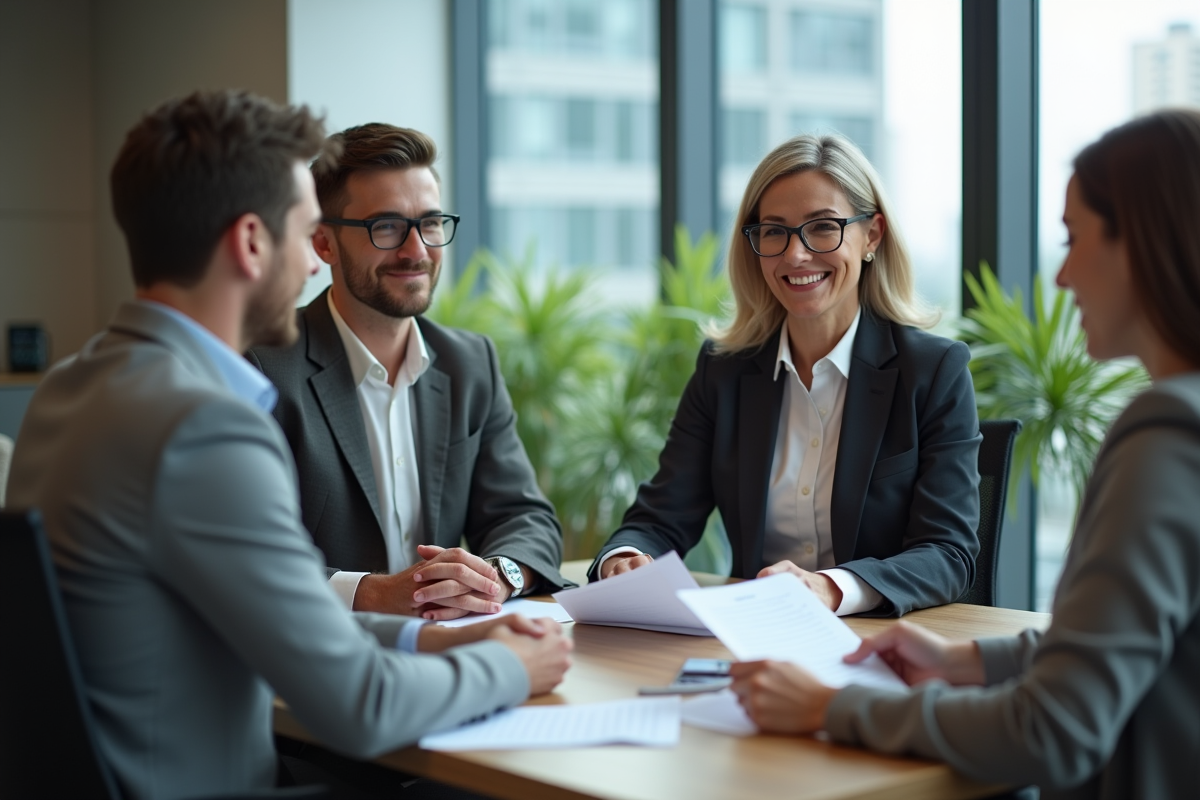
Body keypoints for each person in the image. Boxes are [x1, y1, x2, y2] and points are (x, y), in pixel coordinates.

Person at [7, 90, 572, 800]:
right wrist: (515, 667)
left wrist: (433, 639)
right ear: (250, 243)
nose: (312, 265)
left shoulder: (69, 387)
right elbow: (359, 707)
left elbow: (281, 618)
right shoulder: (203, 426)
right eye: (306, 233)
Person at [729, 109, 1200, 799]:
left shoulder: (1167, 433)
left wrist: (830, 708)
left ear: (1144, 244)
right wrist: (970, 660)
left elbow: (1055, 728)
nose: (1062, 275)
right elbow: (1123, 642)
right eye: (774, 233)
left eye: (1073, 240)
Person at [591, 133, 981, 617]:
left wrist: (830, 588)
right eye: (774, 231)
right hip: (758, 640)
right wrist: (626, 557)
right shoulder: (724, 370)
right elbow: (661, 515)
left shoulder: (933, 372)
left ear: (871, 236)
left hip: (883, 646)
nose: (795, 255)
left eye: (822, 228)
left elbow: (947, 553)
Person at [248, 123, 568, 621]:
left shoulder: (469, 364)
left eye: (431, 222)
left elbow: (525, 517)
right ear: (324, 244)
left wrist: (493, 577)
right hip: (317, 668)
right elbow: (249, 553)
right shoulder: (261, 370)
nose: (416, 250)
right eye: (387, 226)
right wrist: (372, 594)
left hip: (449, 651)